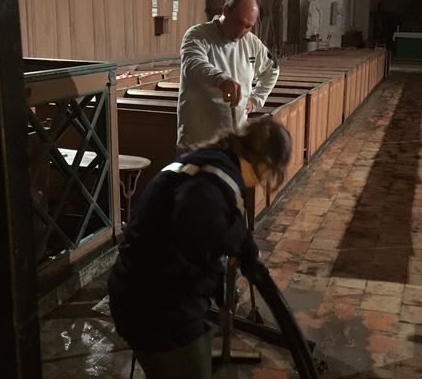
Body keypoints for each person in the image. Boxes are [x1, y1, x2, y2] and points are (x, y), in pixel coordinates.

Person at [108, 116, 292, 379]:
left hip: (134, 294)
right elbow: (197, 216)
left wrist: (224, 281)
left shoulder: (210, 160)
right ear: (265, 167)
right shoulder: (215, 178)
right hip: (161, 311)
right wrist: (234, 247)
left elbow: (217, 221)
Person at [176, 0, 280, 149]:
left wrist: (255, 100)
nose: (241, 31)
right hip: (197, 142)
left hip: (235, 141)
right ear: (226, 10)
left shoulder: (252, 43)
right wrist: (220, 79)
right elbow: (194, 63)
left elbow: (272, 69)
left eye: (248, 27)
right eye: (238, 22)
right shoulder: (197, 35)